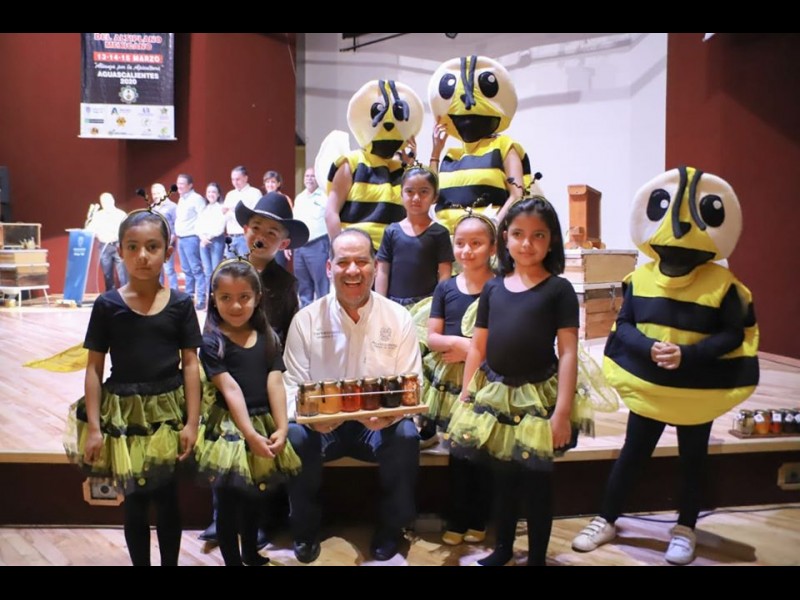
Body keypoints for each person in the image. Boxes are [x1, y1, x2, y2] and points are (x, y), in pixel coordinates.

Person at [571, 167, 760, 565]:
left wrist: (688, 355)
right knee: (633, 454)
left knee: (693, 460)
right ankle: (606, 519)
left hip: (696, 388)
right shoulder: (638, 278)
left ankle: (685, 527)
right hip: (651, 386)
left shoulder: (724, 285)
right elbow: (624, 326)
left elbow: (734, 334)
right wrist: (649, 348)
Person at [446, 197, 592, 566]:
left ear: (552, 240)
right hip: (496, 394)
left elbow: (568, 353)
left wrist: (562, 412)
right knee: (503, 479)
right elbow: (478, 345)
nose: (527, 243)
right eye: (518, 234)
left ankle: (537, 557)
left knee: (537, 482)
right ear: (505, 239)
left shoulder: (558, 290)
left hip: (537, 398)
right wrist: (467, 390)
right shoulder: (494, 288)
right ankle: (503, 549)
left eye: (538, 235)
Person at [64, 209, 202, 566]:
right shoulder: (107, 305)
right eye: (133, 247)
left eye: (152, 247)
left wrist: (192, 422)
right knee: (136, 501)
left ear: (167, 252)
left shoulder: (180, 304)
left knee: (168, 499)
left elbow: (190, 364)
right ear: (120, 250)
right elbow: (94, 368)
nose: (143, 256)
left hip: (167, 415)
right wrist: (95, 428)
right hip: (125, 415)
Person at [283, 228, 423, 563]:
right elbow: (291, 386)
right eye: (343, 262)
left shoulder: (398, 317)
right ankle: (305, 529)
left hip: (376, 424)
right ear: (329, 268)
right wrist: (312, 419)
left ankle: (391, 528)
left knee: (406, 435)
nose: (353, 271)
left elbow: (411, 383)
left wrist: (390, 414)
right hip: (321, 426)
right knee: (295, 436)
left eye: (361, 261)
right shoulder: (306, 320)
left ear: (375, 267)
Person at [199, 192, 309, 544]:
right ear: (245, 229)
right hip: (227, 368)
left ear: (284, 243)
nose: (261, 236)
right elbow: (211, 319)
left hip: (264, 374)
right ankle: (221, 516)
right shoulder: (225, 270)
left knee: (265, 452)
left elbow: (289, 331)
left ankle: (263, 519)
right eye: (256, 227)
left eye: (271, 232)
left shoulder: (286, 284)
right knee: (226, 449)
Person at [196, 257, 301, 566]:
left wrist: (281, 427)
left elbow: (275, 381)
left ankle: (251, 554)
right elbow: (230, 389)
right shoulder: (212, 341)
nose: (236, 305)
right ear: (214, 299)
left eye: (244, 297)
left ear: (257, 298)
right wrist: (250, 435)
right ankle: (232, 561)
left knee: (255, 494)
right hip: (230, 429)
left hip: (261, 421)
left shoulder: (268, 337)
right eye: (226, 297)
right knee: (228, 502)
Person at [422, 212, 497, 541]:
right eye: (461, 243)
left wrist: (472, 351)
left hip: (491, 379)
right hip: (453, 382)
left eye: (476, 243)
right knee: (458, 451)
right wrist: (462, 344)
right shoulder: (446, 288)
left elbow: (507, 337)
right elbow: (432, 337)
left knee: (484, 452)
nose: (467, 250)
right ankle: (457, 519)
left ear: (492, 248)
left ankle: (479, 519)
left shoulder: (501, 287)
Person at [427, 56, 534, 232]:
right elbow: (431, 197)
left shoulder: (503, 146)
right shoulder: (451, 156)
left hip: (487, 241)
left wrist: (493, 225)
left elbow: (517, 194)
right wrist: (436, 152)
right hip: (448, 241)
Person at [324, 79, 424, 251]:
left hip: (394, 253)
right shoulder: (352, 162)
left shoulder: (401, 169)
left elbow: (419, 208)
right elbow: (331, 212)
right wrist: (339, 251)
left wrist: (411, 165)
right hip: (357, 252)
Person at [375, 167, 453, 307]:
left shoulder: (440, 233)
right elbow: (382, 271)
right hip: (393, 304)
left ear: (435, 197)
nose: (416, 198)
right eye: (410, 191)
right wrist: (380, 303)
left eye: (424, 192)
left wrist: (438, 305)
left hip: (426, 305)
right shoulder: (391, 231)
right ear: (401, 194)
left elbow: (444, 274)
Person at [292, 167, 330, 307]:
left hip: (318, 245)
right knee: (303, 286)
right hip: (300, 247)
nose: (309, 178)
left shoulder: (325, 196)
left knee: (321, 285)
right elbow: (295, 222)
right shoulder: (300, 198)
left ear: (318, 178)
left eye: (312, 176)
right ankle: (306, 314)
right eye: (307, 176)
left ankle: (323, 315)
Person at [175, 173, 208, 309]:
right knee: (186, 270)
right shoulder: (181, 199)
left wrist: (202, 235)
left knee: (196, 270)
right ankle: (188, 299)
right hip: (181, 239)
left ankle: (201, 300)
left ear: (190, 185)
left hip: (191, 238)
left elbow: (203, 218)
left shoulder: (196, 199)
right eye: (178, 183)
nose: (179, 186)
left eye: (182, 183)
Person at [85, 192, 128, 291]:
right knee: (107, 275)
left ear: (113, 201)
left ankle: (125, 296)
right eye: (103, 202)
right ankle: (111, 296)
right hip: (104, 247)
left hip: (118, 246)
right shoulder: (98, 215)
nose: (106, 204)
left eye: (107, 201)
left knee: (123, 274)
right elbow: (90, 230)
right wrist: (89, 219)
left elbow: (128, 229)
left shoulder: (121, 214)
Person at [222, 166, 262, 259]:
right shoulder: (230, 194)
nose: (235, 182)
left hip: (245, 236)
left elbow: (256, 216)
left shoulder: (255, 193)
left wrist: (235, 210)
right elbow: (225, 217)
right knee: (231, 266)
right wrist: (225, 212)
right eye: (233, 179)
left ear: (245, 178)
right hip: (231, 236)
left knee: (244, 265)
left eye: (238, 179)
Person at [196, 182, 227, 302]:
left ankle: (218, 299)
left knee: (216, 271)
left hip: (216, 241)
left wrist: (207, 237)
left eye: (213, 192)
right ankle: (210, 299)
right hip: (203, 242)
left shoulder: (221, 208)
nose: (211, 194)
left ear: (218, 194)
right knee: (207, 272)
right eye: (208, 192)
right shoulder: (204, 208)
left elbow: (220, 227)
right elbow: (197, 225)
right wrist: (202, 237)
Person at [262, 170, 294, 271]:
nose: (270, 185)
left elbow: (289, 222)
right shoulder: (262, 200)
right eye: (267, 182)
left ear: (278, 184)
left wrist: (287, 246)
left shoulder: (284, 199)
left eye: (273, 182)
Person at [151, 183, 178, 290]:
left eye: (158, 193)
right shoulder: (152, 207)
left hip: (168, 243)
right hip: (154, 244)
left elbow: (177, 225)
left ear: (164, 192)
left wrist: (171, 240)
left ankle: (174, 293)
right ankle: (159, 293)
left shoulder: (172, 206)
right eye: (154, 194)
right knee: (157, 270)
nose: (156, 196)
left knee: (169, 270)